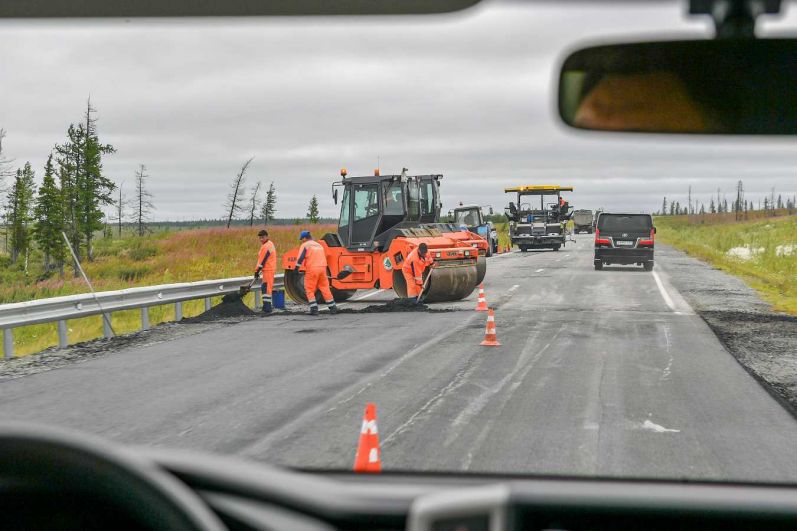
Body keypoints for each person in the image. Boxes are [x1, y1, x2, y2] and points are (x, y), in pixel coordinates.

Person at [295, 231, 338, 315]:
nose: (302, 241)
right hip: (322, 269)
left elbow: (300, 258)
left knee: (309, 289)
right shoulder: (318, 245)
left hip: (312, 269)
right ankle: (333, 307)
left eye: (302, 239)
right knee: (325, 288)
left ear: (305, 238)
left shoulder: (305, 245)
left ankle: (314, 309)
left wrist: (296, 268)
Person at [254, 229, 277, 314]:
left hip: (268, 270)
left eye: (262, 237)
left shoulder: (266, 246)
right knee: (265, 287)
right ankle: (266, 307)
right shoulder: (269, 244)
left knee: (266, 288)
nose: (261, 239)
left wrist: (257, 271)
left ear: (267, 236)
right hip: (268, 269)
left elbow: (262, 261)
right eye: (260, 238)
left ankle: (267, 308)